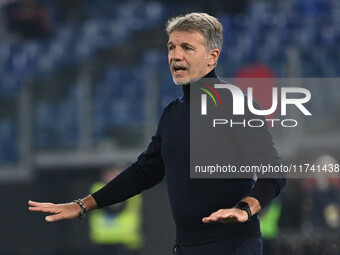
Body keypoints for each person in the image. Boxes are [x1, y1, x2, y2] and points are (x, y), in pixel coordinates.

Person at [29, 13, 286, 255]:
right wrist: (82, 205)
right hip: (185, 246)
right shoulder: (172, 114)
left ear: (212, 57)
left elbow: (274, 172)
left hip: (232, 245)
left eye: (187, 48)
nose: (176, 55)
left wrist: (245, 209)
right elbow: (143, 172)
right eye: (171, 47)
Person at [89, 166, 143, 255]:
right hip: (104, 241)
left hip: (127, 242)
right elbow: (110, 208)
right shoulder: (96, 189)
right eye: (112, 173)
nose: (116, 176)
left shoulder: (133, 189)